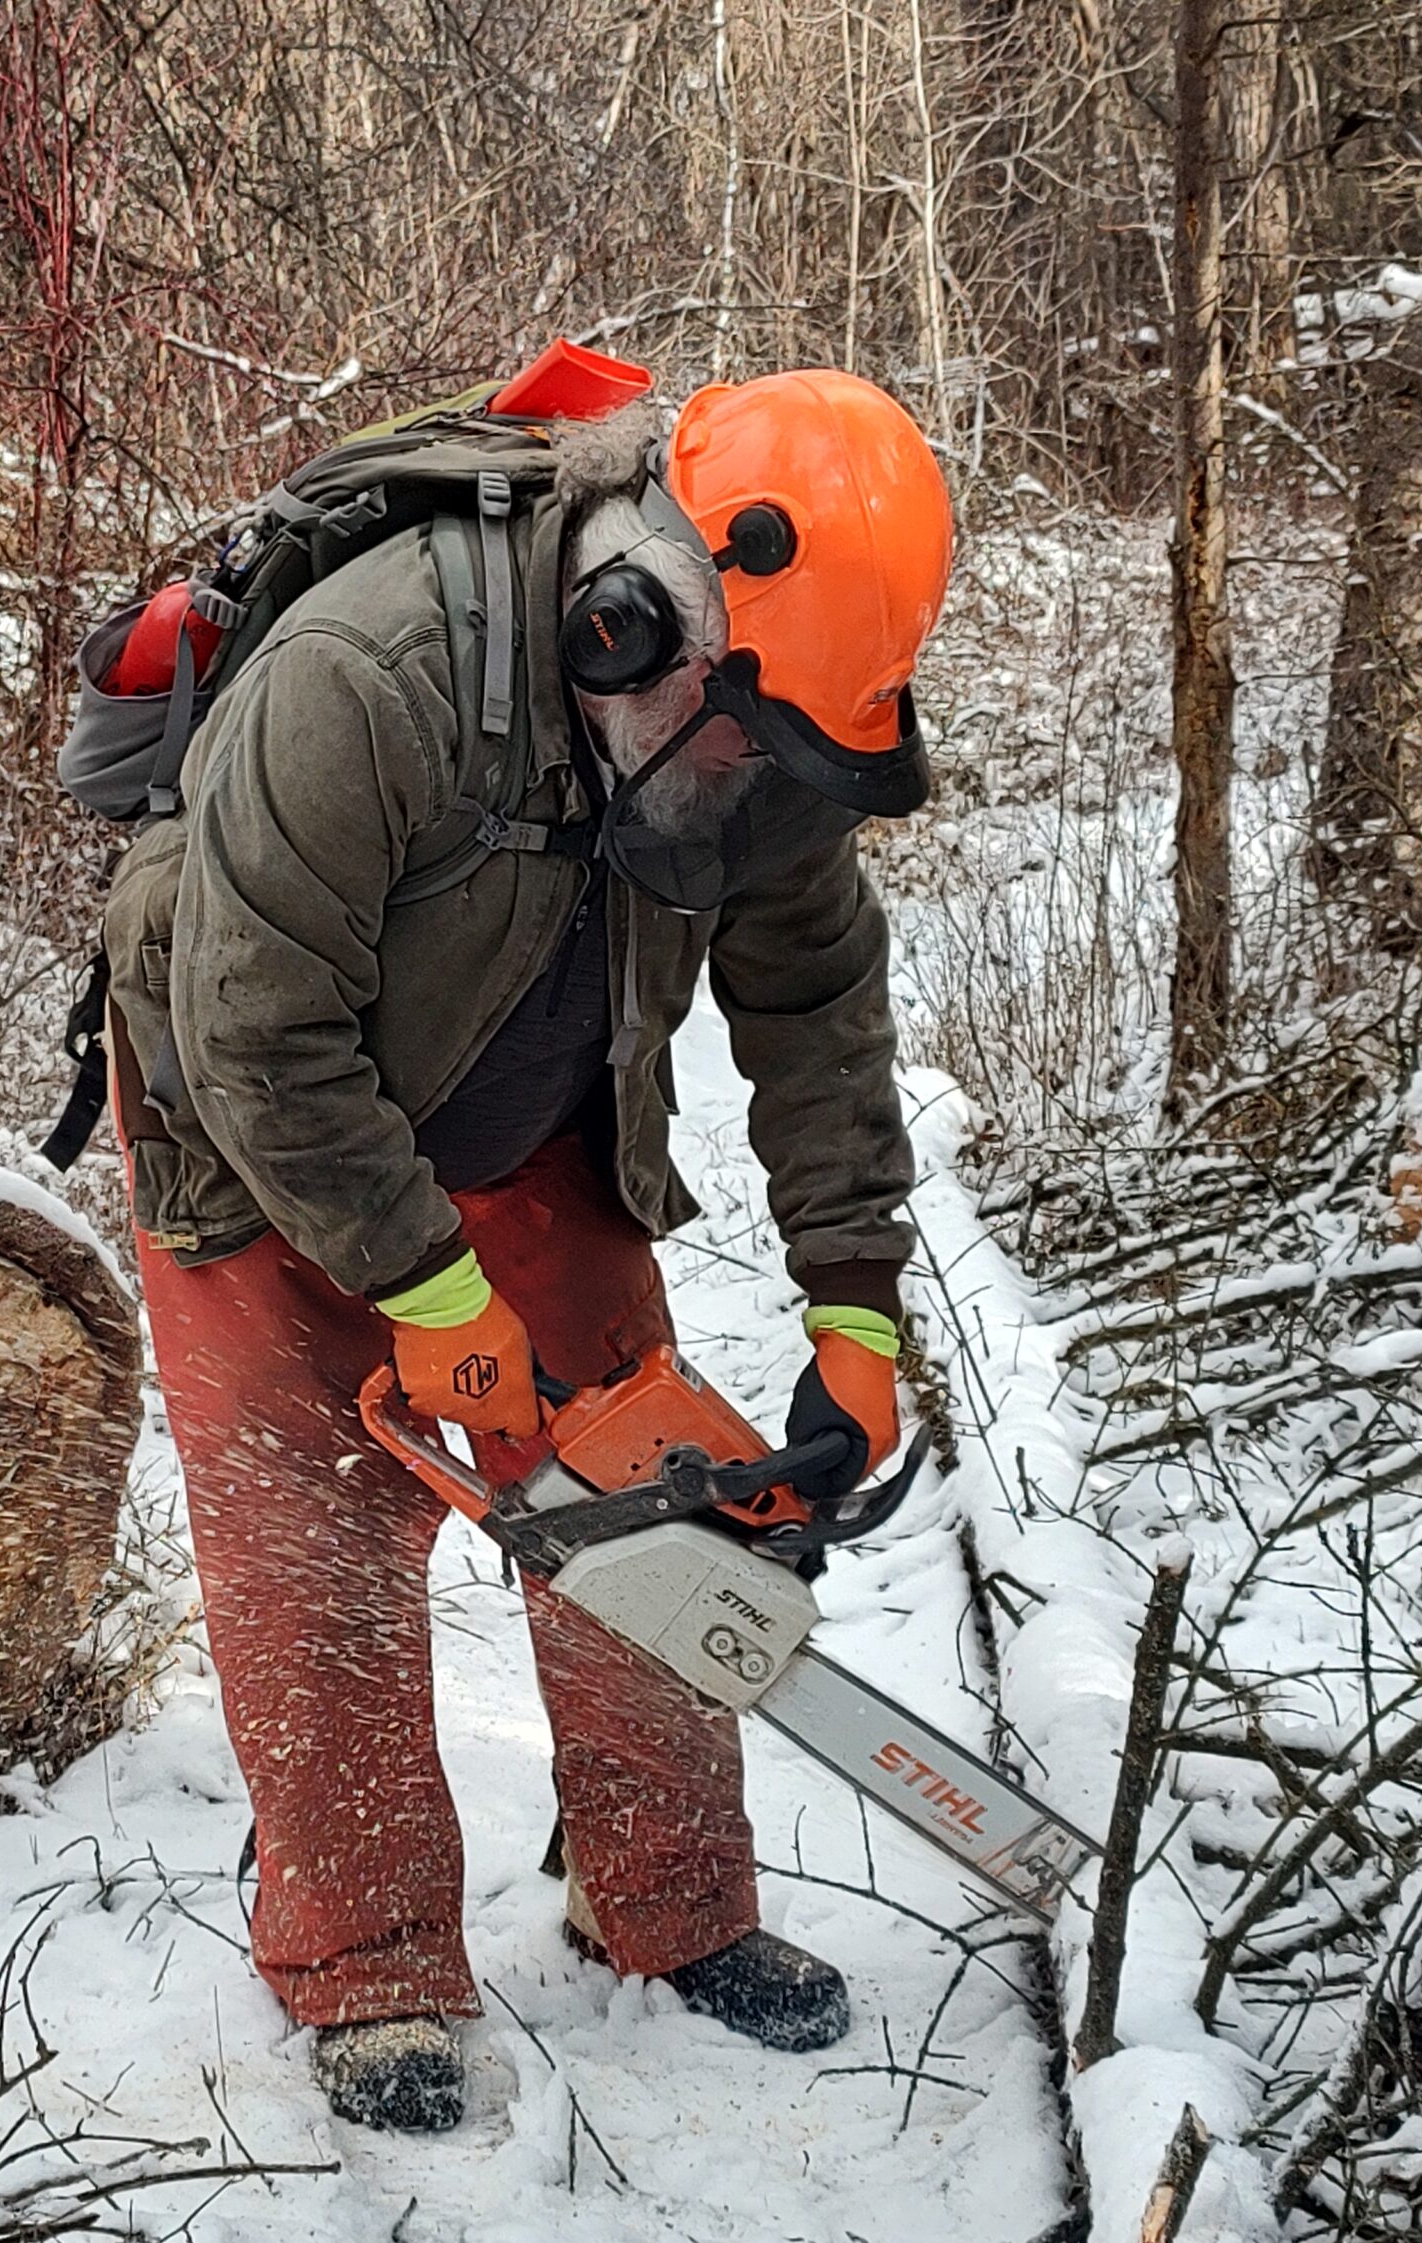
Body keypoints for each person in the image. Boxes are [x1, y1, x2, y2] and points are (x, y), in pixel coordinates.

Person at [101, 369, 953, 2133]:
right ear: (634, 621)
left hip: (533, 1103)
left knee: (644, 1488)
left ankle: (671, 1903)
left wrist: (856, 1301)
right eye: (738, 746)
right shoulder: (371, 675)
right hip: (258, 1124)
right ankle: (371, 1964)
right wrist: (426, 1293)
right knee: (319, 1549)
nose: (751, 785)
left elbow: (813, 998)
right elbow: (255, 1032)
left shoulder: (764, 725)